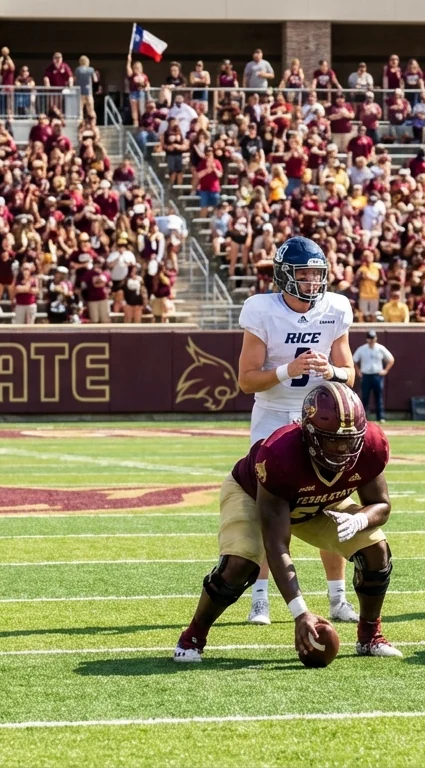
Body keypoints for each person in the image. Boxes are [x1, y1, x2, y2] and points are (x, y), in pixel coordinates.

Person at [173, 383, 402, 661]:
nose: (343, 448)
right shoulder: (280, 454)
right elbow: (276, 545)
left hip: (321, 504)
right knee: (240, 564)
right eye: (332, 439)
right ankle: (193, 636)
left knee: (375, 550)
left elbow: (382, 505)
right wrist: (301, 613)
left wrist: (360, 519)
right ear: (309, 433)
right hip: (254, 495)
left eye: (350, 439)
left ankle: (370, 636)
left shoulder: (371, 446)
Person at [236, 236, 358, 625]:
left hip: (322, 418)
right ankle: (260, 598)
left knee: (334, 503)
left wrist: (332, 372)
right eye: (303, 274)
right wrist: (289, 369)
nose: (311, 282)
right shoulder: (261, 310)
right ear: (284, 276)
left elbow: (350, 373)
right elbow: (246, 381)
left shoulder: (335, 307)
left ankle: (338, 598)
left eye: (316, 274)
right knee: (269, 509)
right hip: (273, 414)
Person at [353, 330, 395, 423]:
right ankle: (363, 418)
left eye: (373, 338)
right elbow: (354, 360)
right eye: (370, 338)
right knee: (365, 397)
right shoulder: (362, 349)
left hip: (377, 375)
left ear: (376, 338)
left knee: (378, 397)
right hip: (366, 375)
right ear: (367, 339)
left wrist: (386, 370)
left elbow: (391, 359)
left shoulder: (380, 348)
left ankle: (381, 417)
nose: (371, 340)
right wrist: (358, 371)